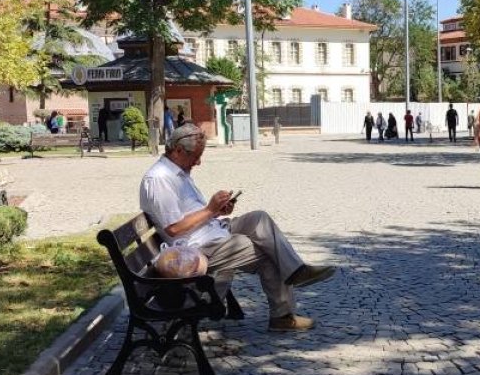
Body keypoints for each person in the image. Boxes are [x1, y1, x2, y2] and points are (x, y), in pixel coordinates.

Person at [140, 123, 336, 332]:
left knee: (260, 219)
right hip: (196, 249)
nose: (198, 162)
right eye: (195, 156)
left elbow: (192, 216)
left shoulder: (178, 173)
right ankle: (283, 312)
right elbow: (174, 229)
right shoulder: (160, 179)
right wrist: (210, 209)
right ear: (178, 151)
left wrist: (218, 211)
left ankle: (296, 272)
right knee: (265, 250)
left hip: (215, 232)